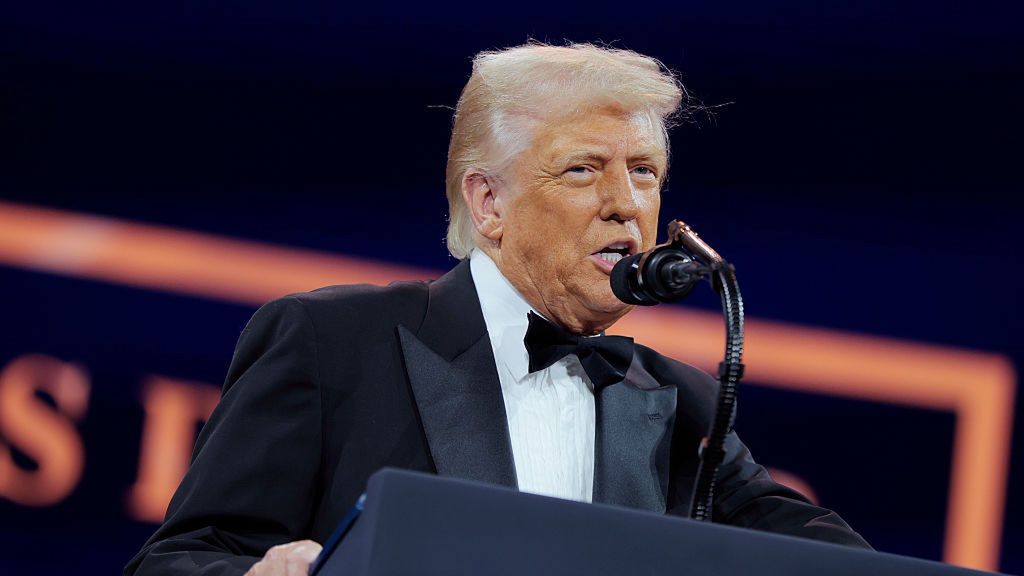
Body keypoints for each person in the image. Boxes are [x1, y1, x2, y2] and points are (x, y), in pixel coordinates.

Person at [126, 43, 870, 576]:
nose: (626, 203)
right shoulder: (331, 342)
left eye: (644, 172)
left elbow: (822, 553)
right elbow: (179, 558)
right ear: (489, 203)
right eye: (583, 169)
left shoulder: (682, 403)